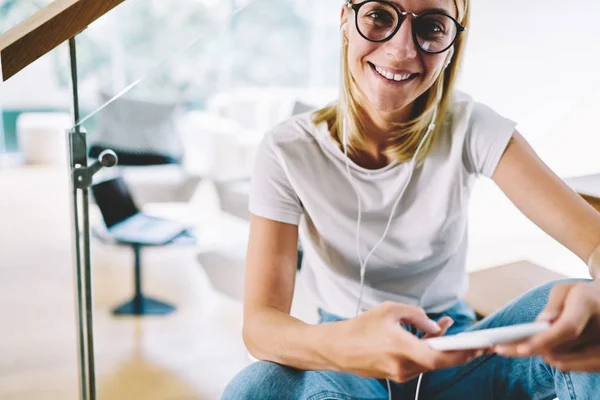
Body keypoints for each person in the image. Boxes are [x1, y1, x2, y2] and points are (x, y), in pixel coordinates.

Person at [222, 0, 600, 398]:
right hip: (345, 352)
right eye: (379, 15)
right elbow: (260, 326)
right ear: (346, 21)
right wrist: (347, 345)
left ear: (452, 43)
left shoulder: (472, 126)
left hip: (452, 348)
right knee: (258, 386)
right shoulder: (287, 149)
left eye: (433, 27)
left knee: (582, 312)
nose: (402, 50)